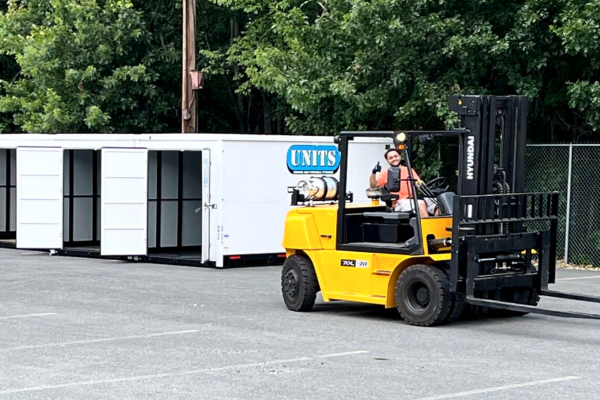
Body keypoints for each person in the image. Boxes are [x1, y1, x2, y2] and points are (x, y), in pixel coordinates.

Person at [369, 148, 436, 217]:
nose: (394, 159)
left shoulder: (409, 170)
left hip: (413, 198)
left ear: (400, 157)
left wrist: (424, 187)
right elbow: (373, 186)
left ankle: (439, 226)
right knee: (420, 204)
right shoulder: (386, 173)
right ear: (387, 161)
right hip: (399, 202)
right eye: (391, 158)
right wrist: (373, 172)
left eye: (396, 156)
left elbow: (418, 183)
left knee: (438, 203)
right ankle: (426, 227)